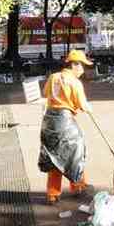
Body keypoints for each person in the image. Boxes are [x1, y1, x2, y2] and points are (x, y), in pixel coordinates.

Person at [38, 50, 93, 204]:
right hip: (64, 120)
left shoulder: (53, 77)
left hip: (49, 120)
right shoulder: (74, 82)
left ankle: (52, 193)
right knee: (76, 150)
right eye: (82, 66)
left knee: (54, 155)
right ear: (74, 65)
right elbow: (82, 105)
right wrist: (89, 108)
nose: (83, 70)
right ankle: (78, 186)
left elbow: (46, 93)